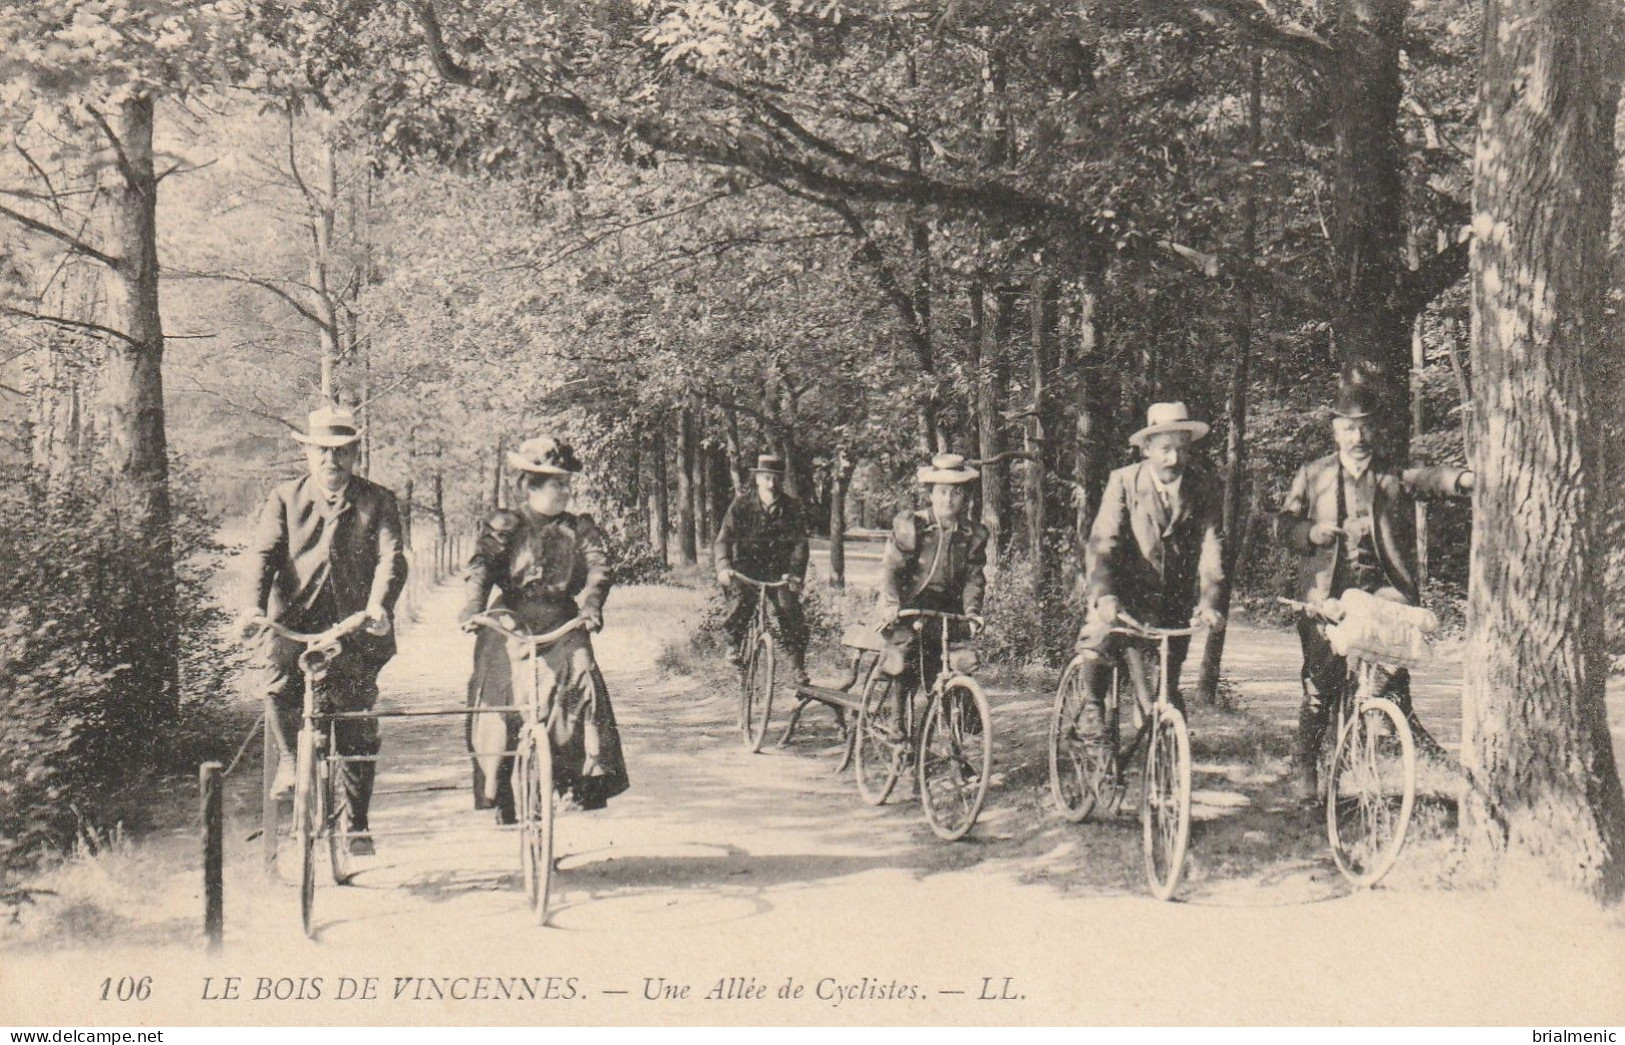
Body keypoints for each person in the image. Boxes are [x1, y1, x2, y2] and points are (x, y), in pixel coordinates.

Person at [1277, 387, 1473, 800]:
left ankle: (1375, 706)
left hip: (1381, 589)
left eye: (1365, 428)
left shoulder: (1389, 474)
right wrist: (1310, 533)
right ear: (1336, 432)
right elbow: (1283, 526)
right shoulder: (1313, 475)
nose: (1358, 438)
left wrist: (1461, 479)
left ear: (1374, 431)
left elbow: (1426, 479)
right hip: (1326, 592)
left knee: (1400, 639)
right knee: (1319, 688)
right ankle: (1306, 768)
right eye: (1349, 429)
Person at [240, 404, 407, 857]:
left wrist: (378, 605)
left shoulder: (378, 500)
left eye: (340, 451)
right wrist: (254, 609)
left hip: (354, 627)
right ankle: (292, 763)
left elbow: (392, 559)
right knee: (277, 684)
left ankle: (357, 823)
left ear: (354, 453)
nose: (330, 461)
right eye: (321, 451)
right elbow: (263, 555)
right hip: (294, 624)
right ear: (308, 454)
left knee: (355, 719)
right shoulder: (284, 499)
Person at [460, 435, 630, 820]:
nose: (567, 491)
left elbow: (598, 570)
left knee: (581, 675)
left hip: (561, 615)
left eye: (569, 483)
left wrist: (590, 606)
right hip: (511, 617)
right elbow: (481, 568)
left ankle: (577, 780)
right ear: (532, 484)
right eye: (558, 483)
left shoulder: (580, 528)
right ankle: (500, 788)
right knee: (496, 684)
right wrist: (473, 608)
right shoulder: (506, 524)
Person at [1075, 402, 1225, 737]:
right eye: (1165, 449)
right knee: (1099, 635)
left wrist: (1209, 602)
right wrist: (1104, 594)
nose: (1174, 459)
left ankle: (1167, 755)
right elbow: (1103, 543)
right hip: (1124, 595)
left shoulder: (1202, 487)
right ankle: (1091, 705)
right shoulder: (1124, 482)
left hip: (1173, 602)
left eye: (1182, 450)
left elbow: (1211, 548)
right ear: (1146, 449)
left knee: (1166, 694)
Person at [875, 453, 989, 698]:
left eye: (955, 493)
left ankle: (961, 726)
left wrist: (972, 612)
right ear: (931, 494)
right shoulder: (913, 525)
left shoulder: (972, 534)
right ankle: (896, 725)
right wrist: (892, 605)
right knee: (905, 653)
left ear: (964, 498)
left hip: (948, 607)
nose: (948, 499)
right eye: (942, 492)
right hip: (908, 604)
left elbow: (973, 578)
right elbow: (892, 569)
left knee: (959, 662)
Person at [714, 453, 810, 684]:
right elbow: (724, 539)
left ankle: (797, 666)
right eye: (766, 478)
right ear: (757, 479)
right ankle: (734, 645)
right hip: (746, 570)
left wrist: (795, 574)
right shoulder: (741, 506)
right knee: (740, 602)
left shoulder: (792, 508)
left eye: (776, 479)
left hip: (779, 573)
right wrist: (724, 566)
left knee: (789, 610)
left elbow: (800, 544)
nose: (771, 484)